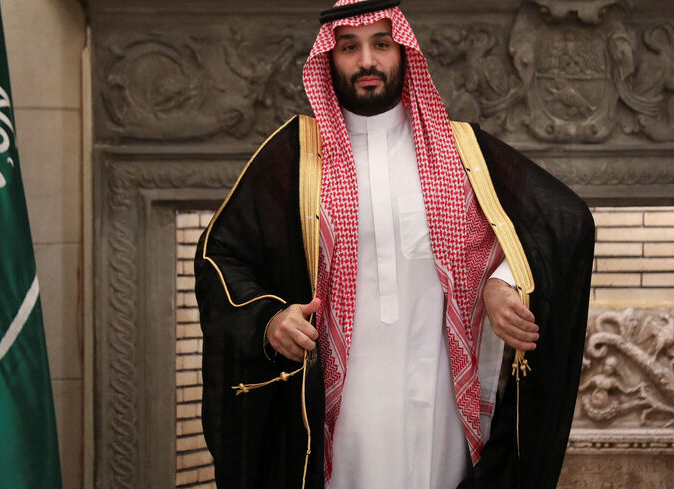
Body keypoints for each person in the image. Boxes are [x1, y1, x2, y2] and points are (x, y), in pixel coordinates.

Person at [194, 1, 595, 488]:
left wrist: (501, 282)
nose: (367, 61)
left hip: (439, 397)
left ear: (403, 51)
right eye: (350, 48)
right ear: (329, 58)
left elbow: (561, 220)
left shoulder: (460, 149)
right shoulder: (294, 157)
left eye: (381, 44)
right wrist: (269, 320)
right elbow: (222, 255)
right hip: (340, 409)